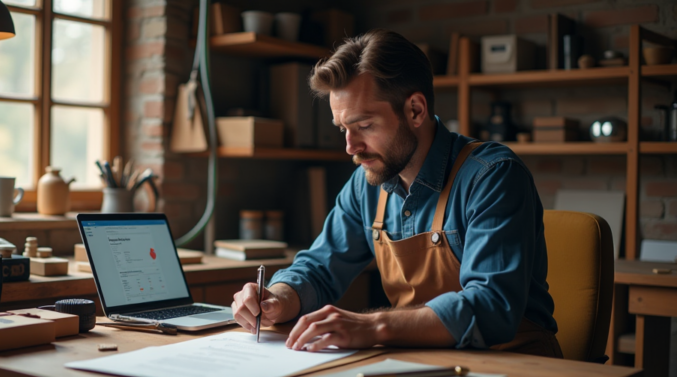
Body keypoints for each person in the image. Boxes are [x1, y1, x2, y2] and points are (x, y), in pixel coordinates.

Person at [231, 29, 562, 358]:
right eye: (343, 129)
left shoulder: (492, 176)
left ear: (415, 110)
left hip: (518, 365)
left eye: (364, 126)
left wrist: (372, 326)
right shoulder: (367, 183)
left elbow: (493, 307)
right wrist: (278, 297)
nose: (350, 147)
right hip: (424, 363)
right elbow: (318, 267)